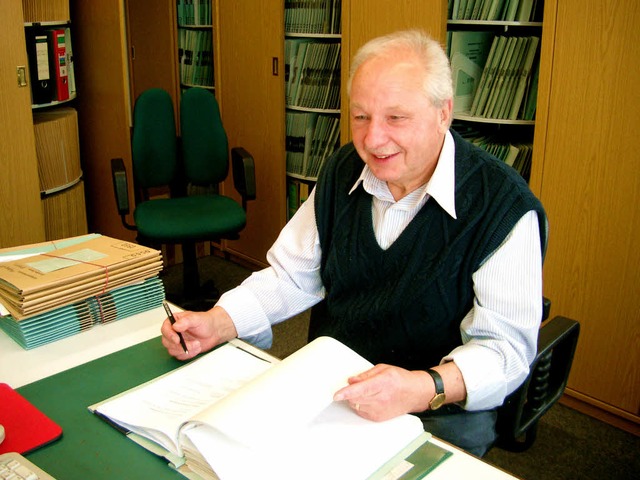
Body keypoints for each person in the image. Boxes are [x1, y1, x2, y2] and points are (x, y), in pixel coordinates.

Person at [161, 29, 546, 457]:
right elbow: (292, 276)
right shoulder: (344, 169)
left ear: (443, 113)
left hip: (437, 406)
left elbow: (505, 350)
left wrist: (422, 386)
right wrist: (219, 320)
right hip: (335, 388)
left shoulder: (503, 206)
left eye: (395, 118)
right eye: (361, 116)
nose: (372, 139)